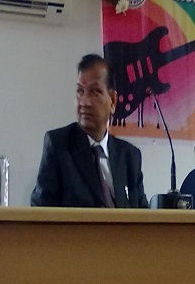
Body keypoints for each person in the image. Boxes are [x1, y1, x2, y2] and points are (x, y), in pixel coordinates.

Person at [31, 54, 148, 208]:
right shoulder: (59, 145)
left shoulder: (129, 156)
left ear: (113, 101)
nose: (84, 102)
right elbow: (40, 210)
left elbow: (143, 216)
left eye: (94, 92)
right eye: (80, 91)